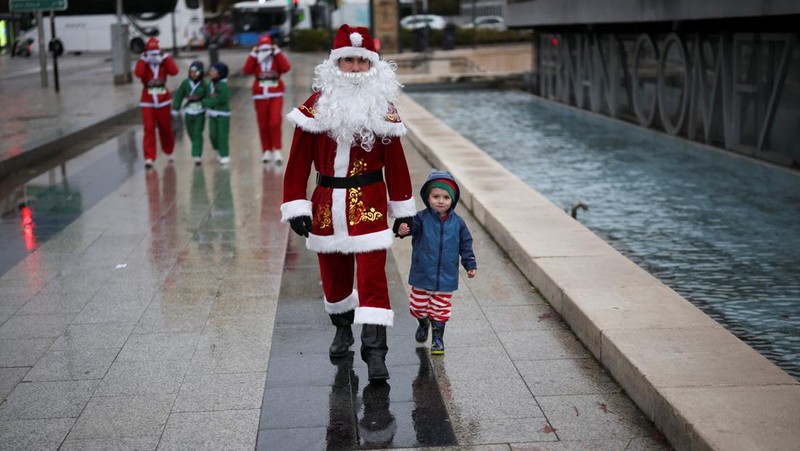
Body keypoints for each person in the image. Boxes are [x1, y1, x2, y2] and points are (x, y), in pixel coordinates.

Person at [281, 24, 416, 382]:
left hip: (369, 204)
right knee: (333, 277)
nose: (356, 68)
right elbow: (296, 164)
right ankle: (342, 330)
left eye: (362, 61)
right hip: (325, 204)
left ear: (372, 66)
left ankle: (375, 351)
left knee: (373, 278)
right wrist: (296, 205)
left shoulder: (383, 111)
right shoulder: (313, 110)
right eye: (348, 61)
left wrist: (403, 211)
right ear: (335, 65)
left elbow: (398, 168)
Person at [396, 170, 477, 355]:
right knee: (417, 306)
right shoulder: (420, 218)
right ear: (427, 197)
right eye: (436, 196)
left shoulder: (458, 223)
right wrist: (403, 229)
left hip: (445, 276)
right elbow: (409, 228)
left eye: (446, 197)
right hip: (422, 273)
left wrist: (470, 264)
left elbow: (466, 245)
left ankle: (438, 339)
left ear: (453, 200)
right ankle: (423, 323)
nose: (441, 201)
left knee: (440, 309)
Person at [243, 34, 291, 163]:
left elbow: (286, 68)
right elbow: (246, 70)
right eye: (262, 49)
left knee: (275, 121)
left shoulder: (276, 57)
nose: (265, 52)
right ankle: (266, 150)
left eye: (267, 49)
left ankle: (277, 149)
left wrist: (278, 51)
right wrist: (253, 54)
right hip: (259, 93)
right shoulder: (256, 59)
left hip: (276, 93)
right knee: (263, 123)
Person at [134, 37, 179, 168]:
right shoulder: (144, 63)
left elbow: (174, 71)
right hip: (147, 100)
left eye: (156, 54)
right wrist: (143, 59)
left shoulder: (164, 62)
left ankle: (169, 150)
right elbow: (138, 74)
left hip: (163, 100)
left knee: (165, 127)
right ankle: (149, 157)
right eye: (151, 54)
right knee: (148, 128)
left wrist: (165, 57)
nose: (153, 57)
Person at [172, 61, 209, 165]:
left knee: (198, 132)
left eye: (195, 72)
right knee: (190, 132)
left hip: (200, 112)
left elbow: (208, 96)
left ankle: (197, 155)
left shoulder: (204, 84)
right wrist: (175, 108)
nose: (193, 74)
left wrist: (208, 106)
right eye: (191, 72)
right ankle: (196, 146)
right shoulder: (185, 83)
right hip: (188, 111)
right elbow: (179, 96)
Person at [203, 62, 232, 165]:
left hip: (223, 114)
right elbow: (205, 95)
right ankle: (218, 149)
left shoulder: (223, 85)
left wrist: (208, 102)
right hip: (212, 113)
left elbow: (223, 98)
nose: (210, 72)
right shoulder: (209, 85)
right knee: (212, 134)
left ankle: (225, 155)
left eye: (213, 71)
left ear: (219, 73)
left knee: (222, 135)